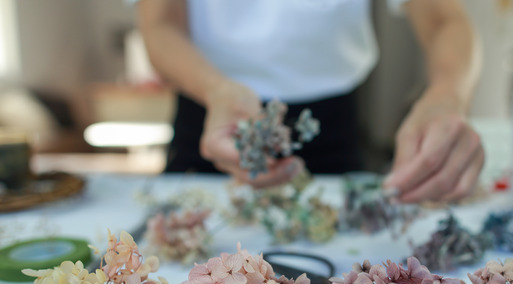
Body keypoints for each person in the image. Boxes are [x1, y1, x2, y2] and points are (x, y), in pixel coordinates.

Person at [138, 0, 483, 204]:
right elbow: (160, 24)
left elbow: (444, 17)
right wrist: (215, 89)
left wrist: (447, 95)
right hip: (210, 112)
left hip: (331, 125)